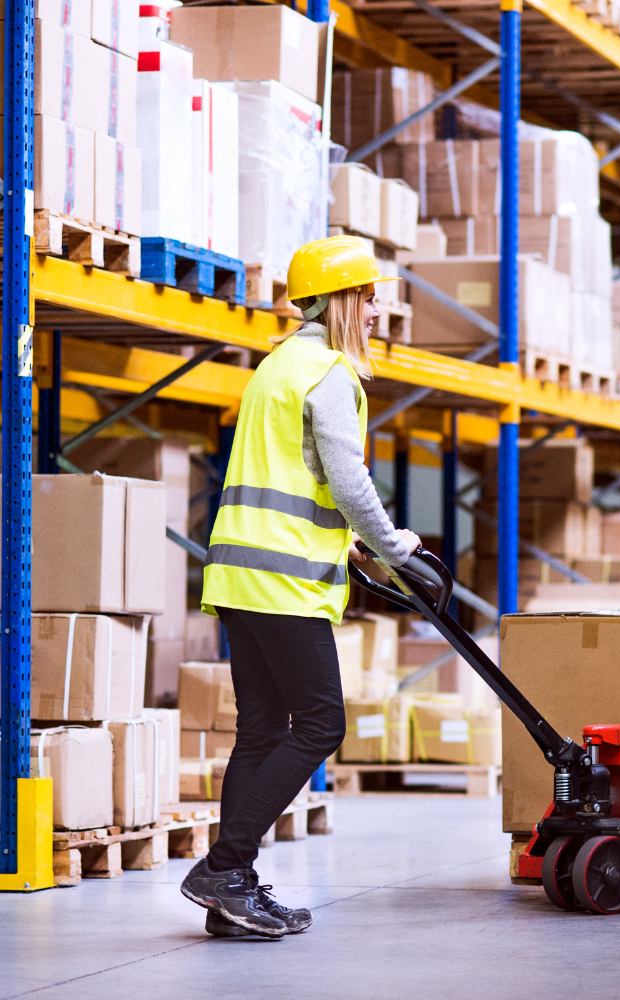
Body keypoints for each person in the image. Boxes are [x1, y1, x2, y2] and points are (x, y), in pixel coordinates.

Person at [181, 236, 421, 938]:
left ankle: (235, 892)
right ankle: (226, 867)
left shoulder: (278, 365)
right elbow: (348, 481)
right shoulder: (330, 372)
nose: (376, 310)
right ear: (343, 301)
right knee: (321, 723)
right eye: (369, 297)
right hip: (283, 580)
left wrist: (347, 539)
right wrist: (393, 544)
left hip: (237, 572)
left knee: (259, 730)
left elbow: (299, 476)